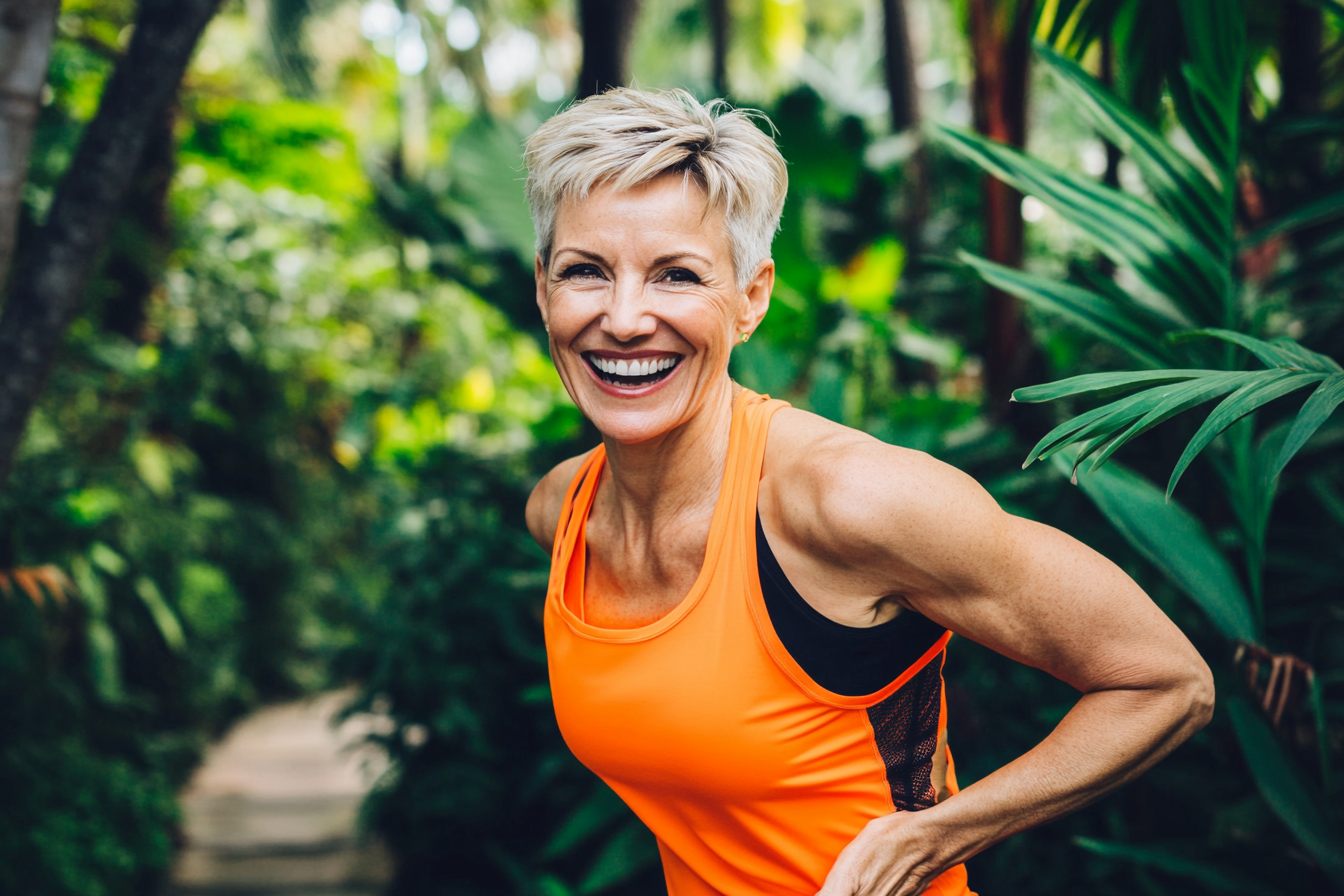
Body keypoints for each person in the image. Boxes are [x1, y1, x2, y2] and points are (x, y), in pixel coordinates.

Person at [523, 88, 1213, 896]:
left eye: (677, 274)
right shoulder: (564, 515)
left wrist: (934, 837)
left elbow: (1166, 682)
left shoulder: (845, 501)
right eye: (585, 272)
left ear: (751, 299)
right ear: (544, 291)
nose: (626, 317)